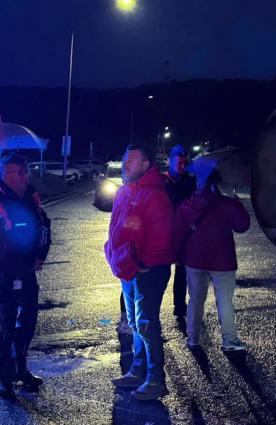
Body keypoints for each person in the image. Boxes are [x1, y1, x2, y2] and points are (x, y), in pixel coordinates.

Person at [105, 144, 174, 401]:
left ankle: (156, 379)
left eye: (131, 160)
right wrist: (112, 253)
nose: (125, 164)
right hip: (128, 269)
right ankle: (137, 370)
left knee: (146, 323)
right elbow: (116, 228)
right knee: (134, 322)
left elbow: (162, 236)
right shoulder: (124, 191)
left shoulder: (155, 195)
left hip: (148, 270)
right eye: (125, 159)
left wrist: (143, 262)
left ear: (146, 164)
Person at [0, 156, 52, 400]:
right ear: (7, 174)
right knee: (6, 327)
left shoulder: (31, 196)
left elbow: (44, 226)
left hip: (28, 272)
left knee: (28, 323)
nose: (26, 176)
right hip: (5, 275)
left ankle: (21, 370)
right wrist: (20, 257)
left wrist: (40, 255)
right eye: (21, 172)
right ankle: (4, 378)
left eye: (26, 171)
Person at [174, 156, 250, 352]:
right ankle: (229, 340)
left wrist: (179, 257)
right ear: (216, 180)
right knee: (224, 301)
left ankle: (193, 338)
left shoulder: (186, 205)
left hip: (194, 260)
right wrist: (237, 203)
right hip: (223, 261)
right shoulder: (227, 204)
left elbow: (178, 232)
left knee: (196, 299)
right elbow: (243, 225)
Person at [164, 145, 197, 322]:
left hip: (184, 233)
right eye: (179, 162)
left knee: (182, 272)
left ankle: (180, 306)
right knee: (161, 272)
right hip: (164, 233)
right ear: (169, 161)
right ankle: (155, 308)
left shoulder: (190, 181)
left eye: (185, 162)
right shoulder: (162, 181)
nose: (182, 166)